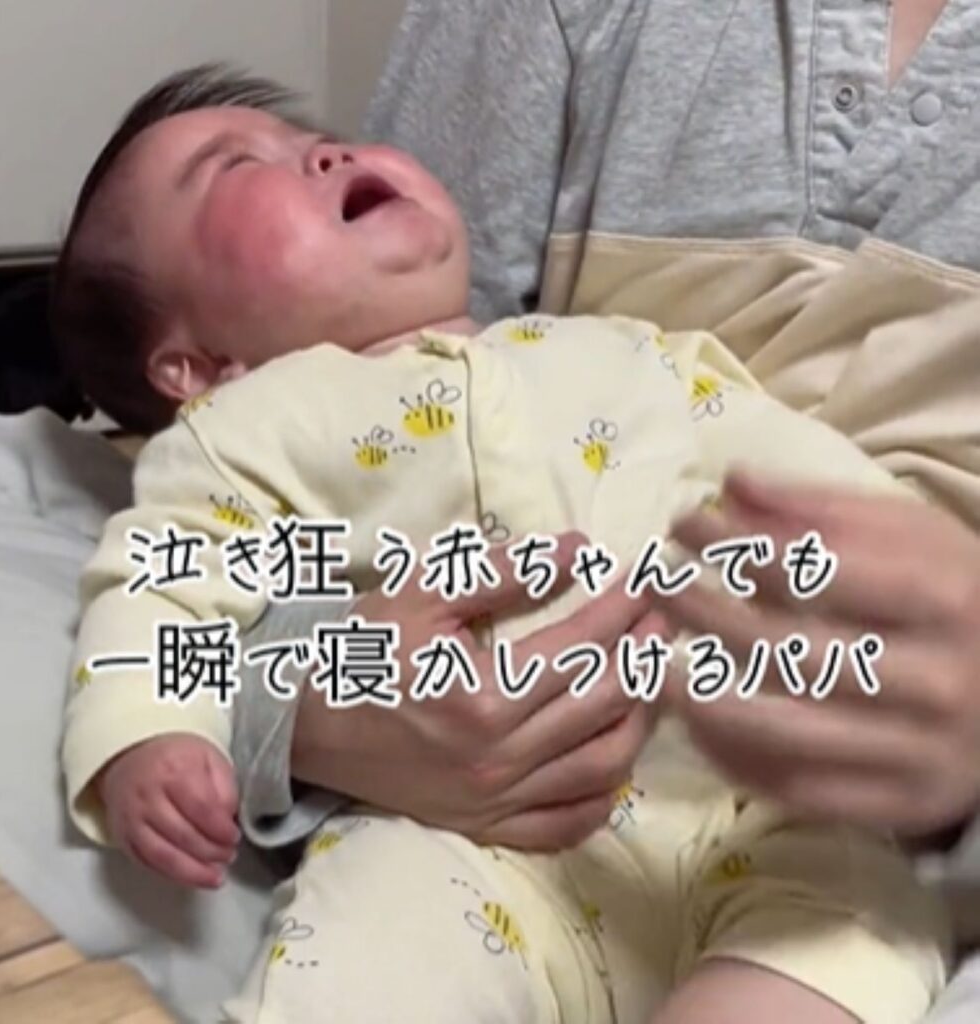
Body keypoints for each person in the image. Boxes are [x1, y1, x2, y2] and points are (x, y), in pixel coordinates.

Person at [56, 69, 949, 1024]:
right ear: (195, 367)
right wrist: (147, 735)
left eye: (316, 138)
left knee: (853, 922)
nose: (325, 153)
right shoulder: (241, 436)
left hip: (748, 796)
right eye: (237, 167)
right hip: (462, 846)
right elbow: (160, 585)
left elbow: (804, 483)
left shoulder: (623, 350)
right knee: (363, 952)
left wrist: (906, 586)